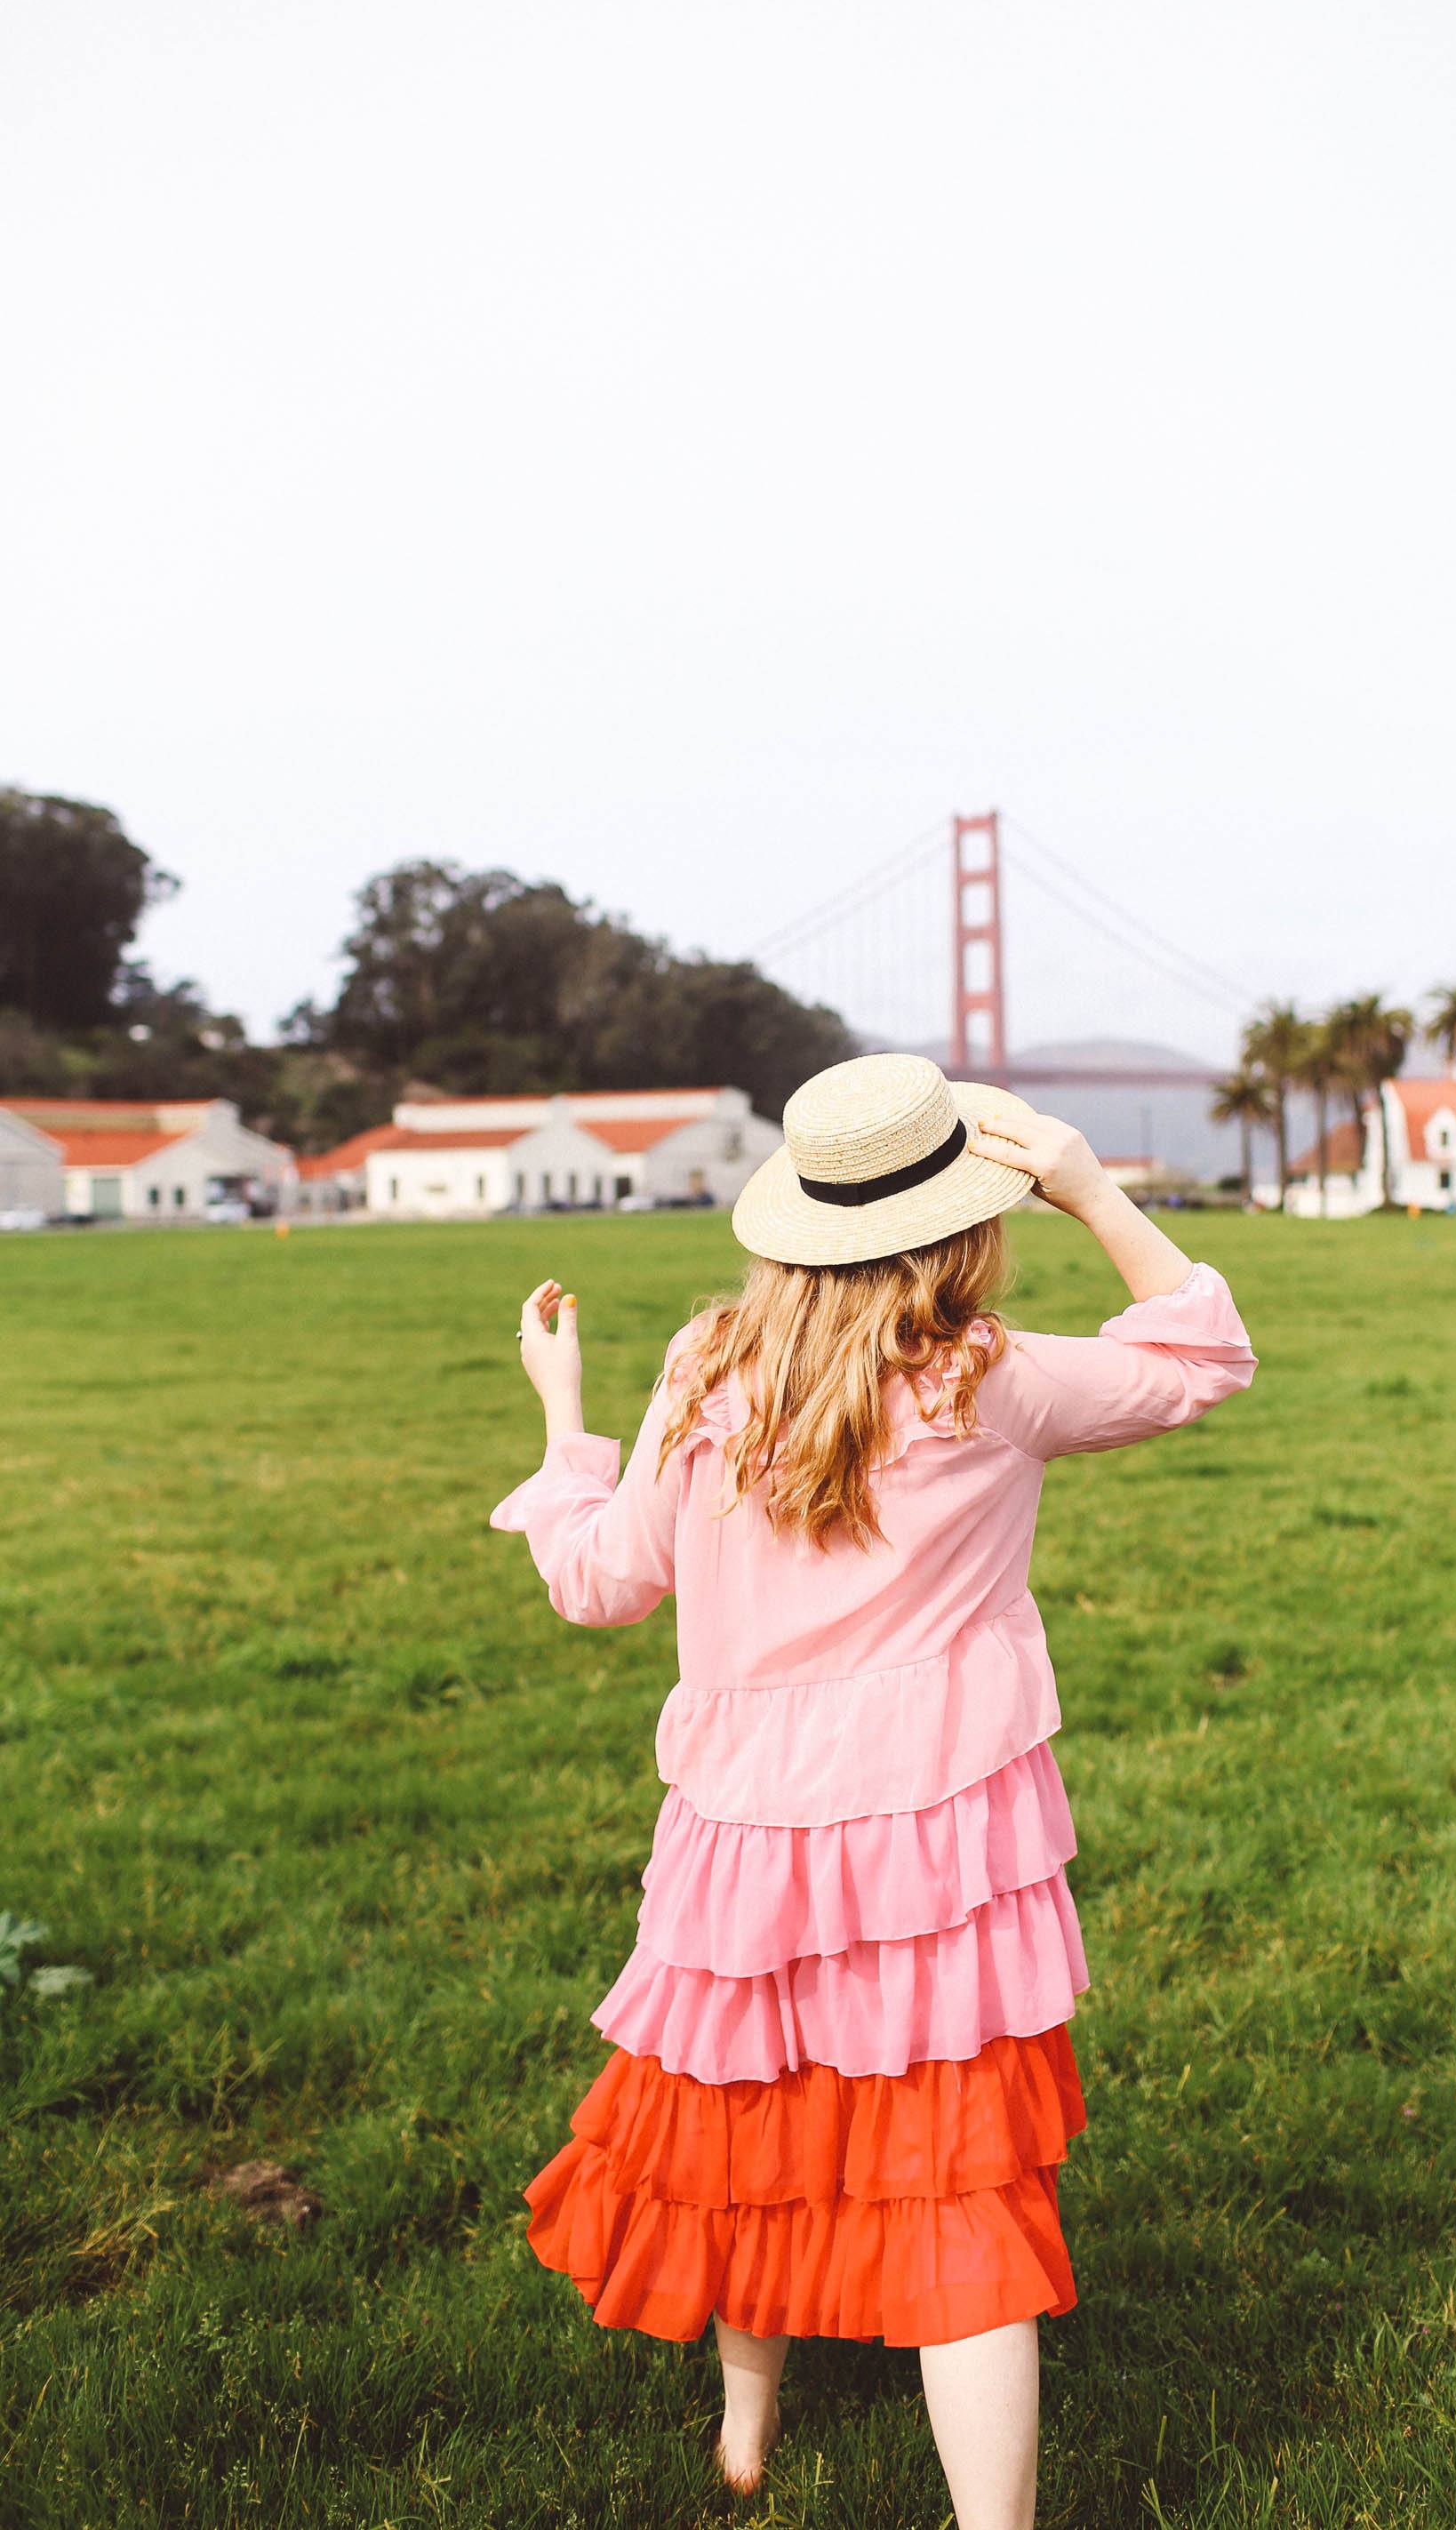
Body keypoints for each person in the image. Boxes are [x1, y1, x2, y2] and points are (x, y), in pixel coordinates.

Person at [492, 1053, 1256, 2530]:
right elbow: (1203, 1358)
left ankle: (746, 2430)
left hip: (738, 1840)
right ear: (965, 1227)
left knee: (740, 2119)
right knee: (954, 2181)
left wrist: (560, 1420)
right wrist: (1093, 1184)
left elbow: (603, 1582)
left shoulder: (707, 1369)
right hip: (936, 1842)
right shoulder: (996, 1376)